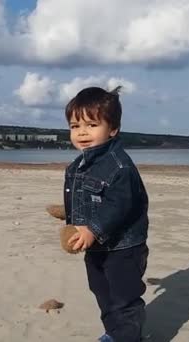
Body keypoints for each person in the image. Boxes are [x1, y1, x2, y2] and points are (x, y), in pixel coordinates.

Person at [63, 86, 149, 342]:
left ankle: (126, 337)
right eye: (75, 126)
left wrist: (92, 229)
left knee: (124, 297)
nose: (82, 132)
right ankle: (115, 333)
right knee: (102, 291)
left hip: (123, 247)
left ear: (113, 129)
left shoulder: (119, 166)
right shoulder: (79, 165)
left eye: (91, 124)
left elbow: (119, 204)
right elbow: (87, 197)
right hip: (97, 247)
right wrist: (69, 215)